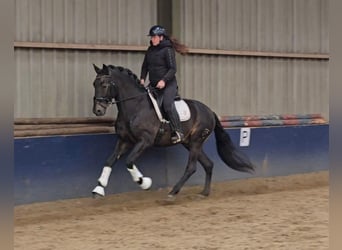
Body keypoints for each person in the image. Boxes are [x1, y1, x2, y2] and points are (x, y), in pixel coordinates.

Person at [140, 25, 188, 144]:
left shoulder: (168, 50)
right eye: (151, 37)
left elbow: (172, 69)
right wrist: (142, 78)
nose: (152, 39)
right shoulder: (150, 50)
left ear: (161, 37)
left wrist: (164, 81)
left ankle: (178, 131)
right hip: (154, 84)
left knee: (167, 105)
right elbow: (145, 66)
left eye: (154, 37)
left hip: (169, 85)